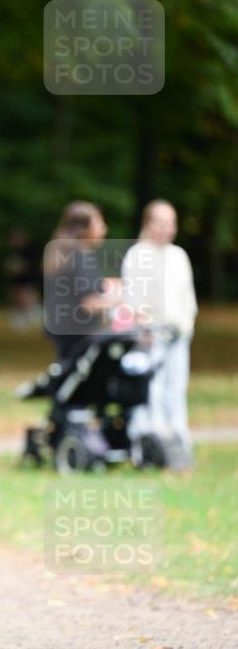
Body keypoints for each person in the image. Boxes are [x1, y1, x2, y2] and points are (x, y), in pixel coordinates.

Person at [121, 200, 198, 466]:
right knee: (151, 391)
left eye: (171, 222)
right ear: (149, 224)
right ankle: (150, 445)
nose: (167, 228)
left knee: (175, 389)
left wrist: (187, 323)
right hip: (150, 336)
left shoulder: (178, 256)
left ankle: (178, 442)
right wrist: (143, 327)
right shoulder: (137, 255)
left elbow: (187, 298)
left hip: (178, 335)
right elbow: (134, 298)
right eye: (161, 222)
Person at [43, 201, 121, 361]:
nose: (104, 229)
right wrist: (121, 298)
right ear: (84, 229)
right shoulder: (82, 257)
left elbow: (81, 287)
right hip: (80, 335)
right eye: (99, 223)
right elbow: (89, 304)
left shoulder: (65, 254)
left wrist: (107, 285)